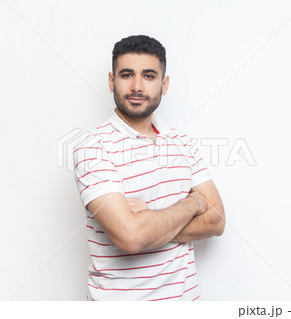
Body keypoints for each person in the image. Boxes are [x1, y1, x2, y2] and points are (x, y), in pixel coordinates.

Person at [73, 35, 225, 301]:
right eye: (127, 74)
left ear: (164, 84)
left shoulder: (183, 142)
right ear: (112, 81)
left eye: (149, 76)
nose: (137, 86)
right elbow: (131, 237)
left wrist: (147, 221)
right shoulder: (92, 149)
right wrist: (193, 204)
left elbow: (217, 220)